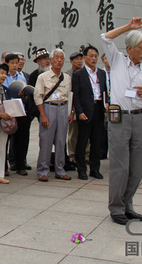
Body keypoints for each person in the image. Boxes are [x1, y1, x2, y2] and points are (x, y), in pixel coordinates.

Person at [101, 17, 142, 226]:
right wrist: (129, 27)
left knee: (137, 167)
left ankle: (128, 205)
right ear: (130, 48)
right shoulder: (117, 59)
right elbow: (106, 37)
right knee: (120, 166)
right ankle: (116, 207)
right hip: (119, 118)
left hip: (139, 118)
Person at [34, 48, 73, 182]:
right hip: (48, 108)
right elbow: (38, 97)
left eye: (61, 58)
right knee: (46, 140)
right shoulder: (43, 77)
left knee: (61, 141)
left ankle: (60, 169)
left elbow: (69, 96)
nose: (59, 60)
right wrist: (43, 115)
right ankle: (42, 170)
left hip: (62, 108)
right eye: (56, 57)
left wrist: (70, 112)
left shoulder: (67, 77)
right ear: (50, 60)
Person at [72, 45, 107, 180]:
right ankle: (81, 170)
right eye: (91, 56)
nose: (93, 59)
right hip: (85, 111)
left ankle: (95, 169)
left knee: (97, 142)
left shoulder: (102, 73)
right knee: (82, 142)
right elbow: (76, 96)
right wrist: (79, 112)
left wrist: (106, 105)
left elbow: (105, 92)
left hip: (99, 108)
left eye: (95, 56)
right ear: (85, 57)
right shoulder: (78, 74)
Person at [66, 51, 85, 170]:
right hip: (72, 106)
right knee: (73, 132)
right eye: (76, 59)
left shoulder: (85, 73)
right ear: (71, 61)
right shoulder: (67, 74)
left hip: (83, 107)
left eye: (80, 59)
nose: (79, 61)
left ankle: (85, 154)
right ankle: (72, 154)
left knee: (84, 133)